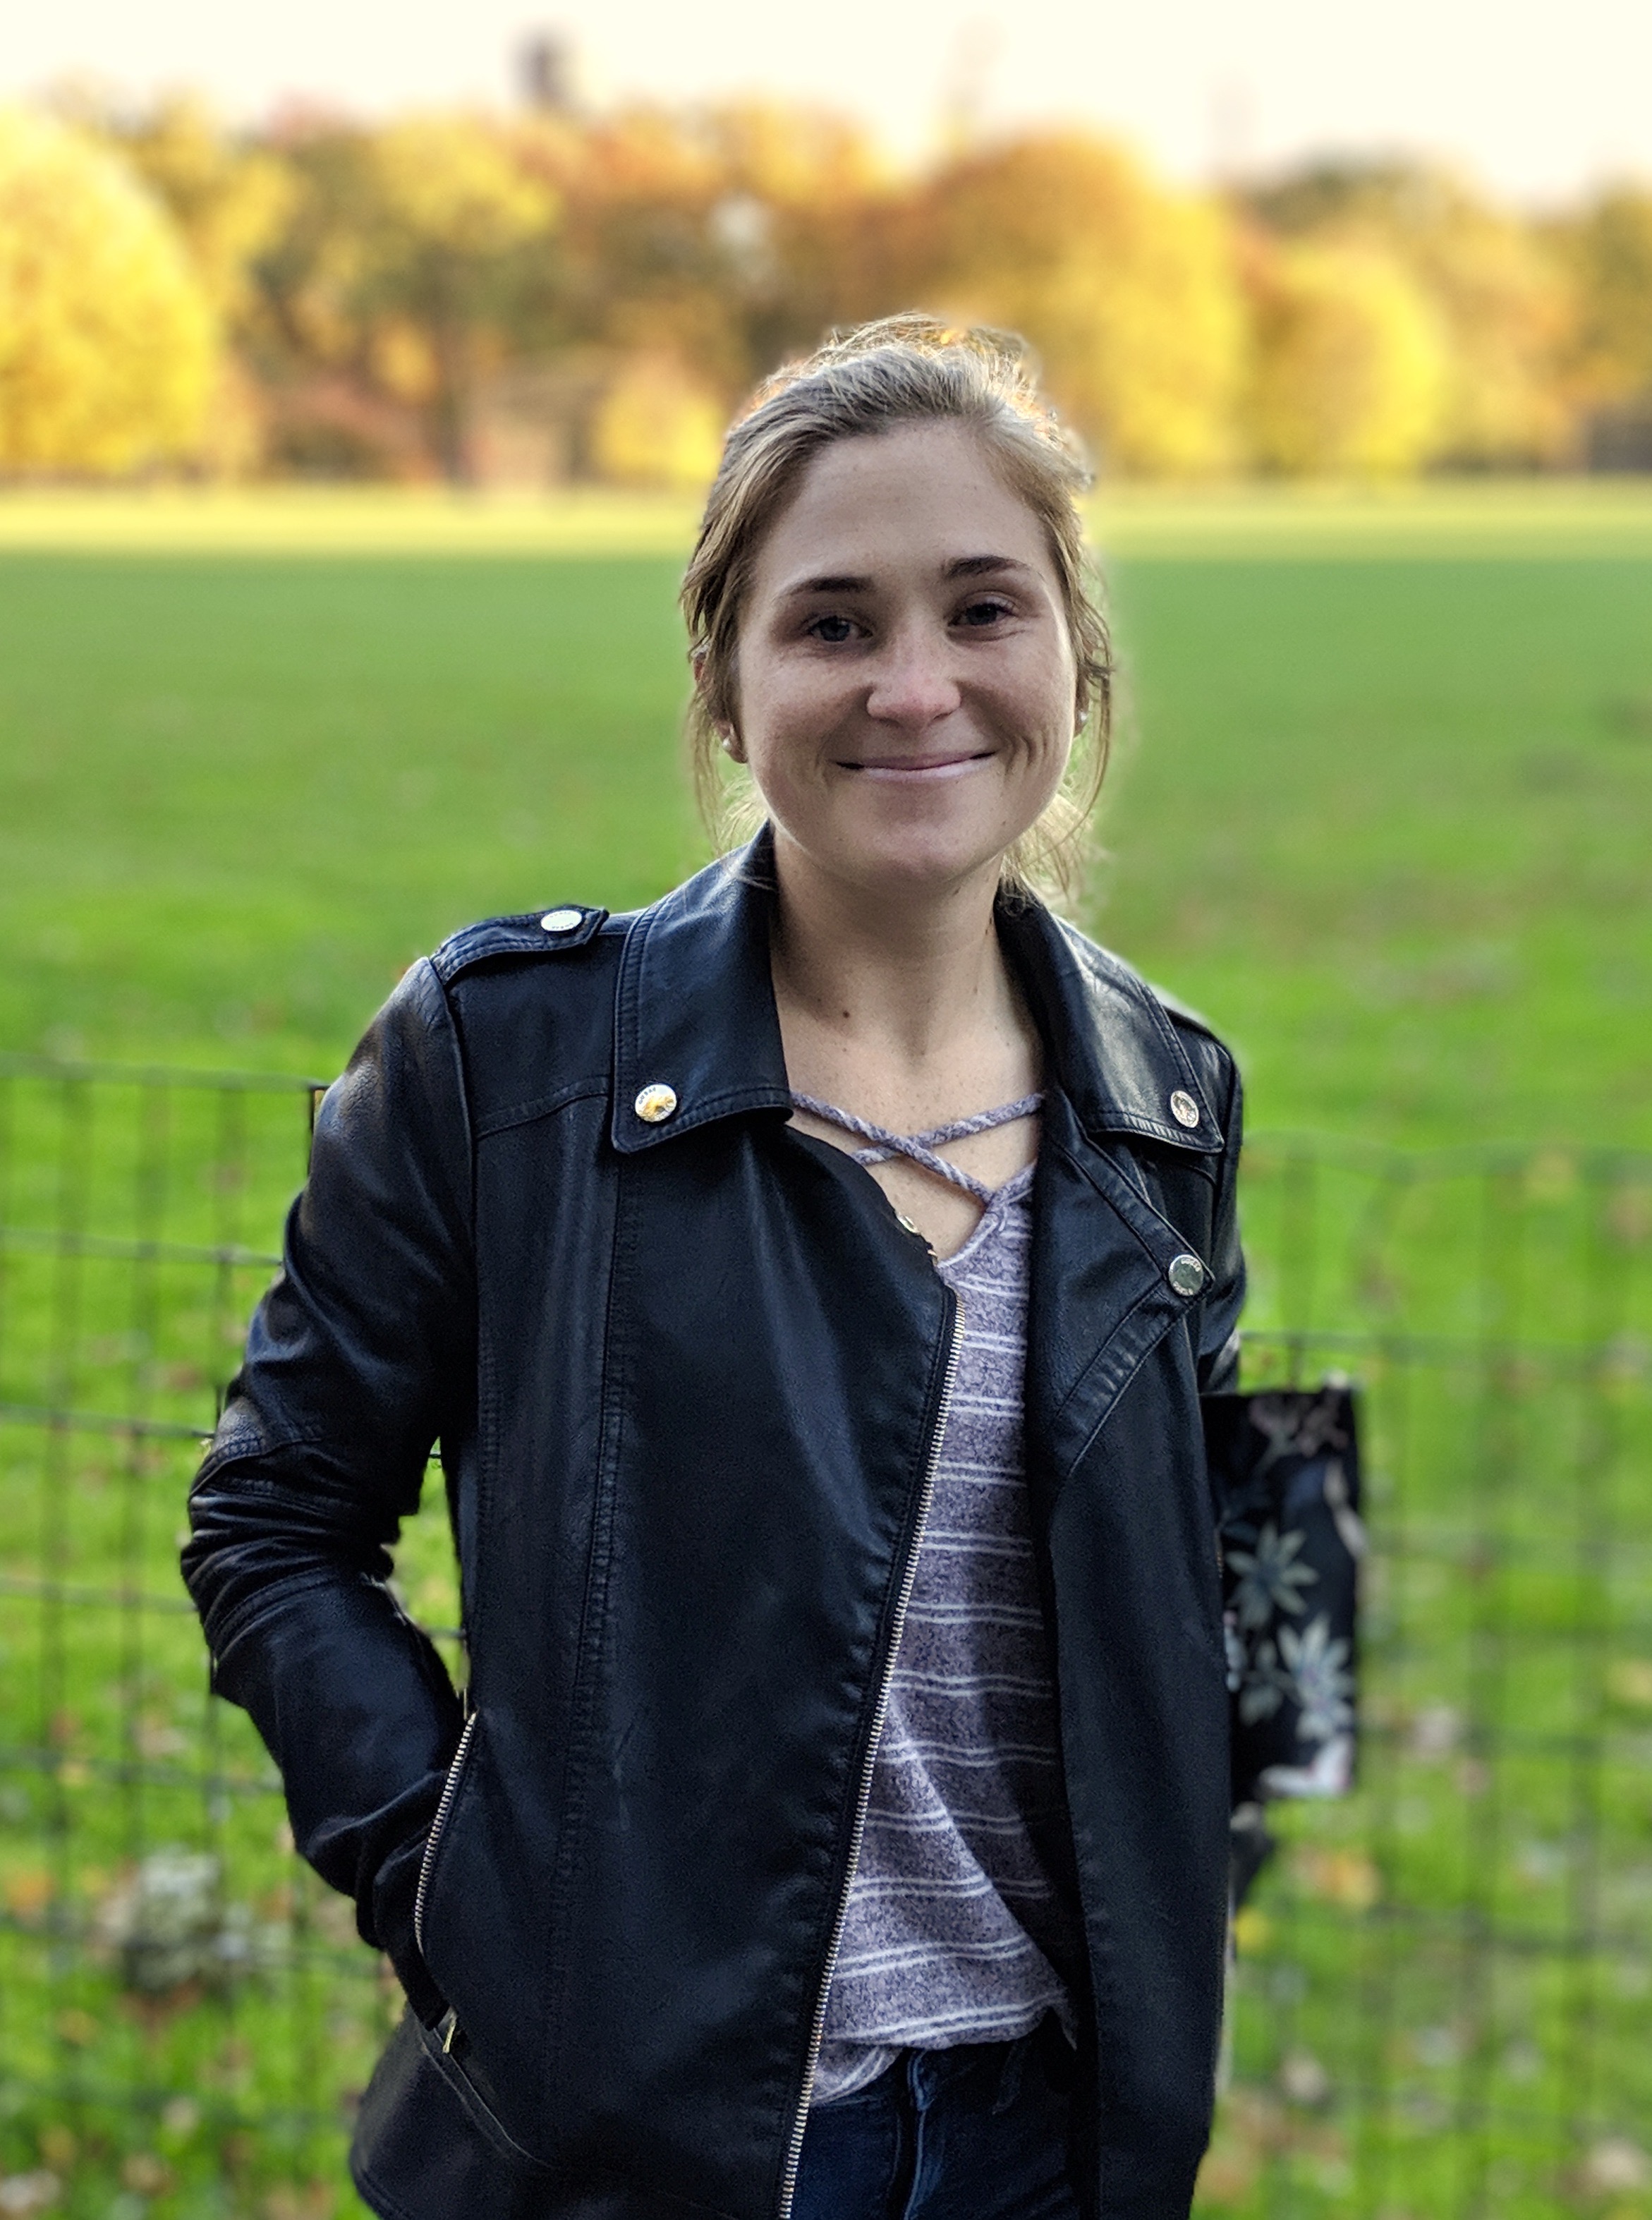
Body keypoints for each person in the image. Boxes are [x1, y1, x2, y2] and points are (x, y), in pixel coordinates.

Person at [183, 315, 1246, 2220]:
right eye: (835, 622)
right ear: (728, 680)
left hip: (1052, 2149)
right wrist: (465, 1896)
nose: (915, 684)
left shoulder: (1169, 1105)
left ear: (1073, 660)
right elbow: (273, 1518)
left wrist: (1186, 1899)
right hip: (641, 2151)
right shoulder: (512, 1061)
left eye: (980, 609)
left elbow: (1212, 1605)